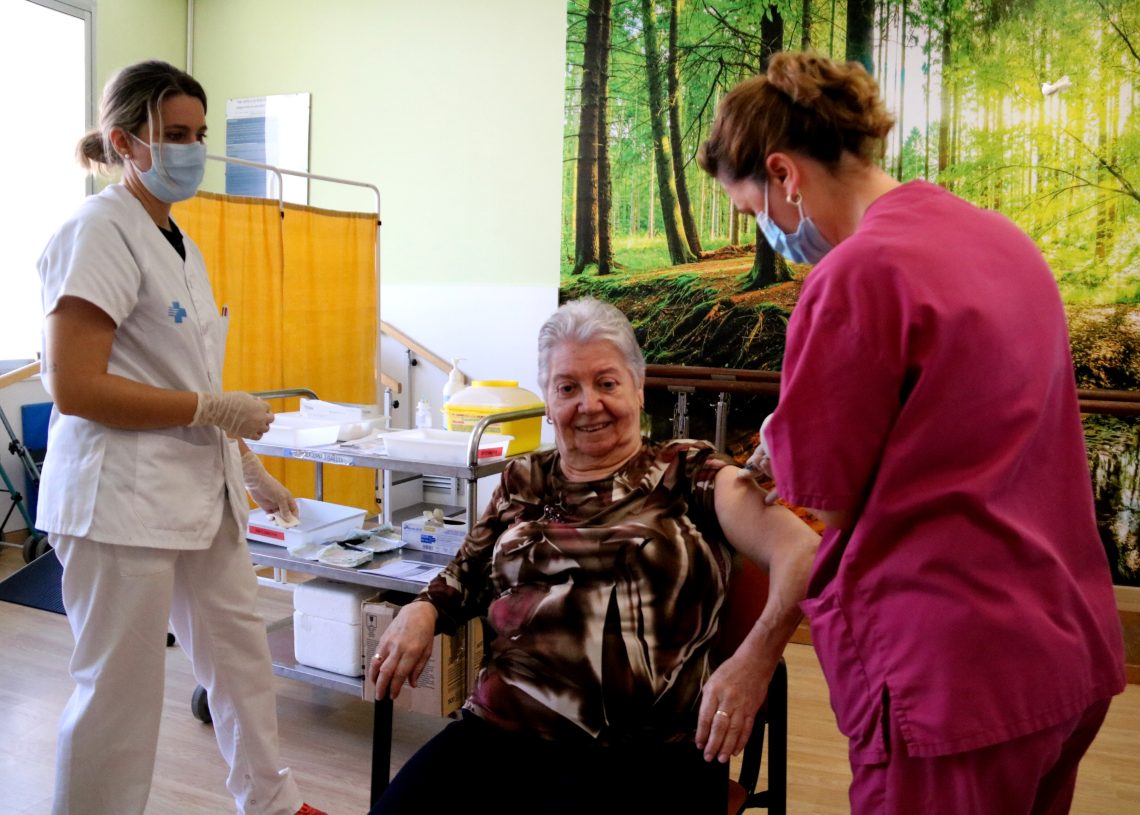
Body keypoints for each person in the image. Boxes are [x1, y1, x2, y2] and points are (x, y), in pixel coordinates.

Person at [698, 51, 1126, 814]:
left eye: (750, 208)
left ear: (784, 175)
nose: (765, 231)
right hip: (1065, 650)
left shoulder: (857, 276)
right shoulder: (1003, 241)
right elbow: (961, 423)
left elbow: (817, 502)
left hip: (955, 682)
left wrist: (763, 461)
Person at [366, 298, 819, 814]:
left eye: (607, 383)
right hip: (503, 735)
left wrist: (754, 663)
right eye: (567, 387)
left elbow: (804, 554)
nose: (588, 404)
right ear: (548, 398)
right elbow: (465, 573)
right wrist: (422, 608)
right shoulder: (523, 480)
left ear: (637, 387)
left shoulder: (692, 474)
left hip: (649, 759)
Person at [37, 60, 325, 815]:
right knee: (119, 695)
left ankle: (272, 800)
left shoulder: (181, 246)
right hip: (119, 501)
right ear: (124, 141)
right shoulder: (98, 230)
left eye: (199, 133)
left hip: (201, 492)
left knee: (241, 660)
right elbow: (75, 386)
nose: (192, 149)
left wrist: (249, 465)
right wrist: (210, 410)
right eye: (175, 134)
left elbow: (183, 371)